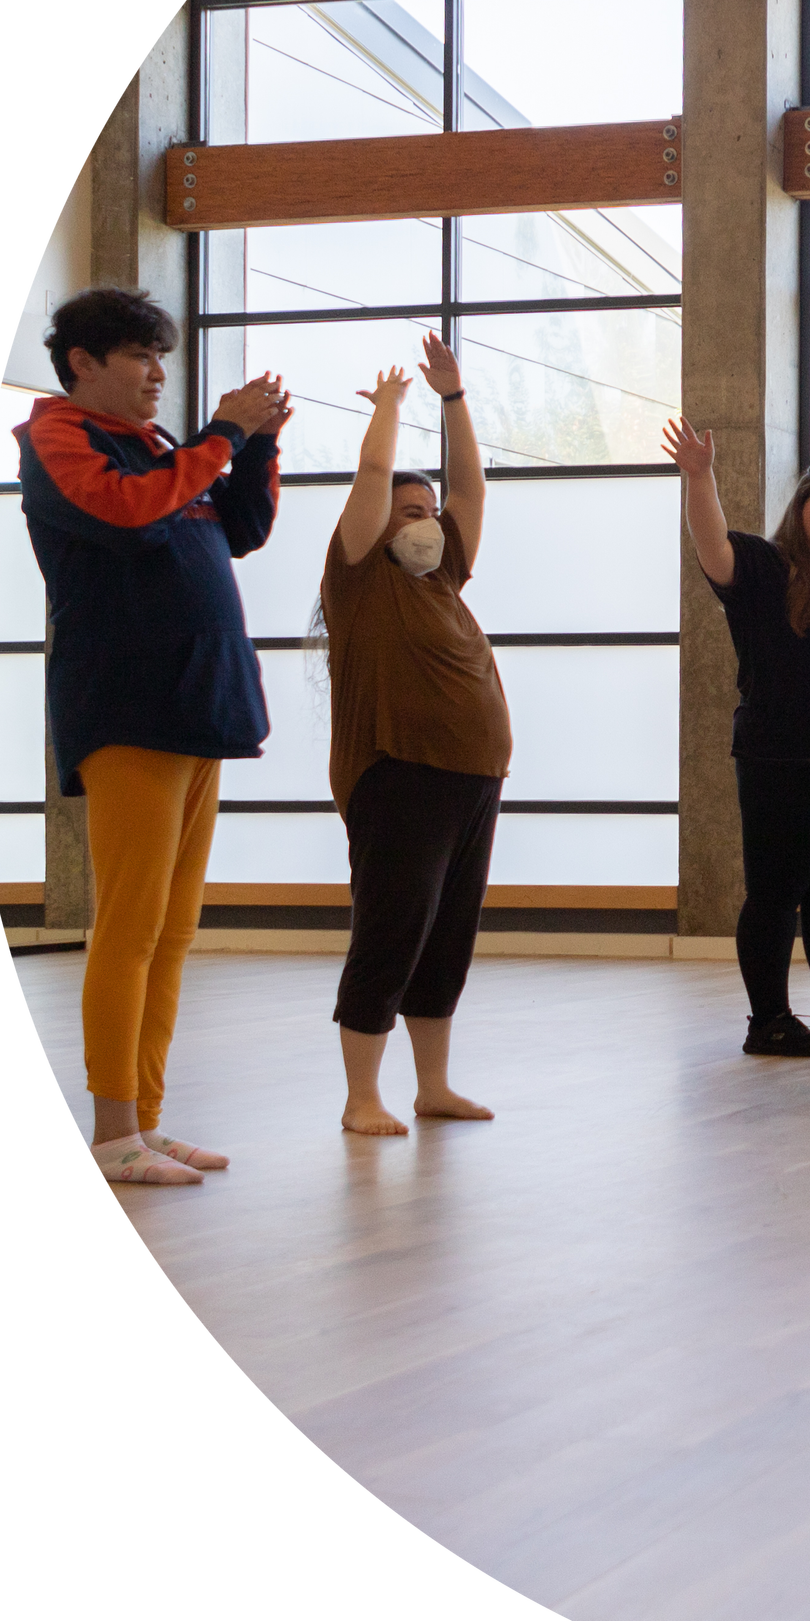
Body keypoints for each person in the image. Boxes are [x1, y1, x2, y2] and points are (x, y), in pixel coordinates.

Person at [18, 286, 289, 1187]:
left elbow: (241, 528)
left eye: (161, 357)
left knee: (173, 931)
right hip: (128, 705)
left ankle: (146, 1120)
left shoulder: (167, 448)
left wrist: (257, 443)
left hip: (199, 702)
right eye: (140, 356)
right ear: (83, 363)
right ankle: (112, 1132)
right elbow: (127, 514)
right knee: (129, 927)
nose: (156, 374)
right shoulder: (58, 437)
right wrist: (223, 434)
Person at [319, 334, 511, 1135]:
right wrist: (393, 407)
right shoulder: (360, 576)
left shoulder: (446, 576)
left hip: (473, 777)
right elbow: (372, 475)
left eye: (429, 512)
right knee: (391, 931)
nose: (426, 521)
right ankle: (362, 1096)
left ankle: (433, 1085)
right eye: (410, 512)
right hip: (399, 773)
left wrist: (455, 399)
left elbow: (471, 487)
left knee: (446, 938)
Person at [664, 426, 810, 1058]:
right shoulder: (762, 564)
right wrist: (700, 477)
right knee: (777, 892)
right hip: (778, 756)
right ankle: (769, 1020)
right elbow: (712, 545)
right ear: (801, 507)